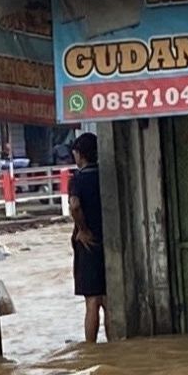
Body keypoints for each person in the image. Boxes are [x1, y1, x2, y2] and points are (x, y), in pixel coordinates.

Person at [69, 131, 107, 343]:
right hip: (108, 242)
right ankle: (115, 345)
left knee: (92, 301)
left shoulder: (78, 179)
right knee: (109, 300)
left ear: (79, 155)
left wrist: (82, 229)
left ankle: (91, 350)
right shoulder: (105, 176)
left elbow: (75, 205)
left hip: (88, 245)